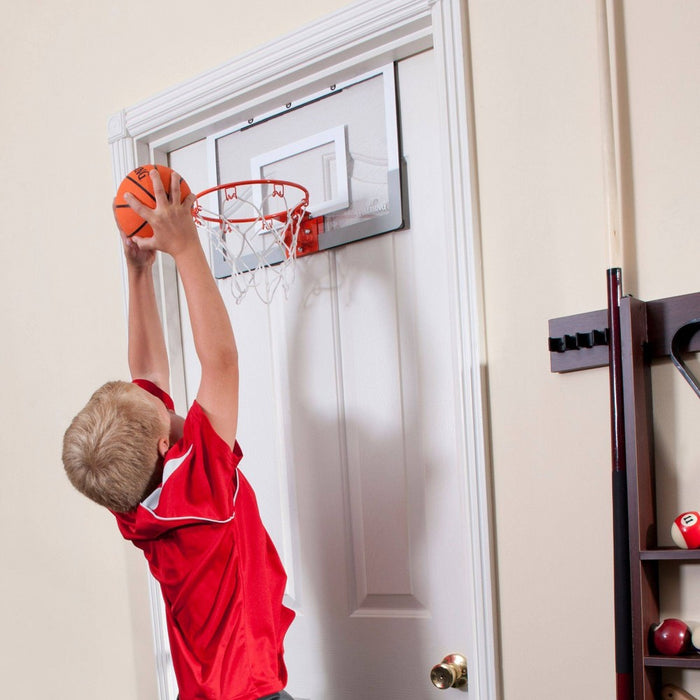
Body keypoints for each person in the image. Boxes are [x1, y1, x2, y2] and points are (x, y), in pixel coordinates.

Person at [62, 168, 295, 700]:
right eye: (155, 403)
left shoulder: (136, 503)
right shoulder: (202, 491)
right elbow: (222, 364)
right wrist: (186, 249)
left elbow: (148, 370)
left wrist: (138, 272)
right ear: (166, 446)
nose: (158, 392)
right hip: (250, 693)